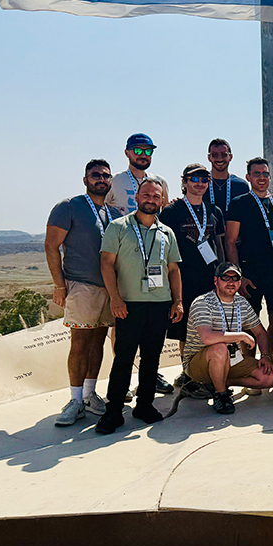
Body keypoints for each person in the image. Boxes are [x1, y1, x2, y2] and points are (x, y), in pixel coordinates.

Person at [96, 178, 183, 434]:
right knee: (123, 359)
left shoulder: (167, 232)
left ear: (162, 201)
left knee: (151, 359)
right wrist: (115, 298)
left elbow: (173, 269)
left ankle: (144, 405)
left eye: (156, 196)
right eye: (146, 195)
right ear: (137, 197)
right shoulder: (118, 227)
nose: (151, 200)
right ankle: (113, 411)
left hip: (159, 306)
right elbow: (106, 264)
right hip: (128, 305)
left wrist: (177, 301)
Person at [46, 159, 116, 426]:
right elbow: (51, 246)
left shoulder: (111, 213)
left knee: (97, 342)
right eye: (95, 175)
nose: (100, 179)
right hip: (80, 285)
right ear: (85, 179)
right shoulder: (69, 207)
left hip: (107, 288)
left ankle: (89, 395)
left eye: (105, 176)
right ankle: (74, 400)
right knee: (80, 343)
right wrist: (59, 285)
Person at [160, 164, 226, 398]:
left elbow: (220, 244)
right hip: (183, 278)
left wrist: (224, 273)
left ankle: (204, 373)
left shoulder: (214, 210)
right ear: (184, 181)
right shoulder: (171, 211)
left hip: (210, 280)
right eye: (194, 178)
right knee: (185, 331)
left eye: (204, 178)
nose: (200, 183)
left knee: (209, 328)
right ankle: (189, 377)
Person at [182, 262, 273, 414]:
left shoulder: (241, 302)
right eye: (225, 278)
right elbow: (207, 337)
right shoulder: (203, 302)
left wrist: (266, 355)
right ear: (216, 281)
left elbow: (260, 332)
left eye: (235, 278)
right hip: (199, 363)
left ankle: (217, 382)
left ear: (240, 282)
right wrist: (242, 336)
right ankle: (222, 396)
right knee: (219, 348)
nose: (231, 282)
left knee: (270, 377)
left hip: (232, 360)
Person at [225, 157, 273, 351]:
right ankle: (251, 369)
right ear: (248, 177)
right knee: (249, 321)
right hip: (251, 271)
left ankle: (270, 362)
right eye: (257, 173)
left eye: (265, 173)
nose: (262, 177)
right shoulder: (239, 203)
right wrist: (238, 274)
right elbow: (230, 241)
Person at [106, 133, 170, 215]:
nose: (143, 155)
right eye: (138, 151)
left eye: (148, 151)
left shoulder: (160, 182)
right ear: (127, 153)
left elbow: (165, 213)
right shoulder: (114, 181)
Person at [204, 138, 250, 217]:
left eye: (224, 155)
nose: (219, 158)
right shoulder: (201, 184)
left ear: (230, 157)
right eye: (214, 155)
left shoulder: (241, 186)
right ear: (209, 157)